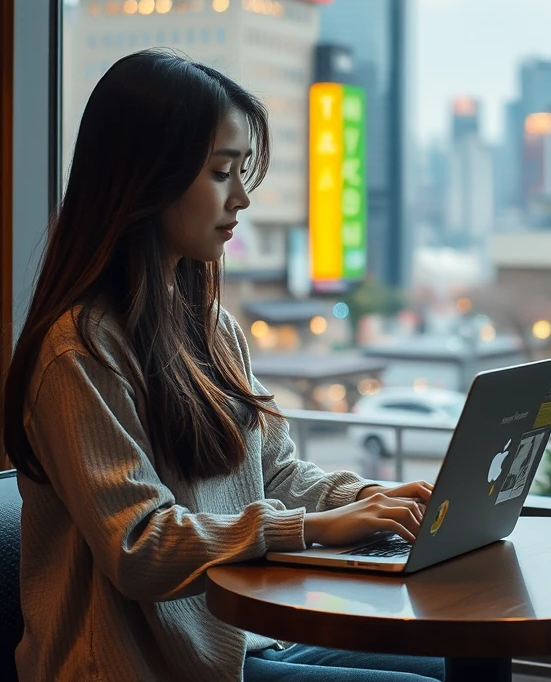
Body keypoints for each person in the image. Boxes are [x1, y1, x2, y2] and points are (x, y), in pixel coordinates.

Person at [2, 51, 445, 682]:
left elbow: (277, 472)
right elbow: (139, 545)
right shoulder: (78, 352)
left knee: (448, 662)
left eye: (242, 172)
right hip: (138, 669)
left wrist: (374, 502)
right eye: (219, 172)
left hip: (236, 645)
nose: (240, 197)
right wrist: (314, 528)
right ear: (144, 180)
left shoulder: (210, 329)